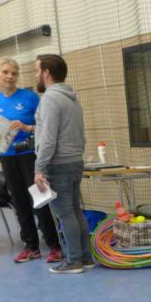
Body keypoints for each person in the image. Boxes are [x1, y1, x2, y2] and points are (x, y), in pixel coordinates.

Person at [0, 57, 62, 264]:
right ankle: (31, 247)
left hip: (30, 156)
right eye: (5, 72)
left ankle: (54, 246)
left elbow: (43, 127)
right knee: (20, 203)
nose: (10, 76)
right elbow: (0, 129)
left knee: (40, 200)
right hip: (7, 158)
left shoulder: (30, 98)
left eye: (14, 73)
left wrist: (26, 128)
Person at [32, 54, 92, 274]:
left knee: (65, 214)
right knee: (75, 212)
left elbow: (48, 138)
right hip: (75, 162)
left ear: (46, 73)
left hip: (59, 165)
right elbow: (79, 133)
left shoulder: (50, 98)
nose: (35, 75)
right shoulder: (72, 98)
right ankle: (85, 258)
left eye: (37, 70)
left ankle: (74, 261)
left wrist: (40, 168)